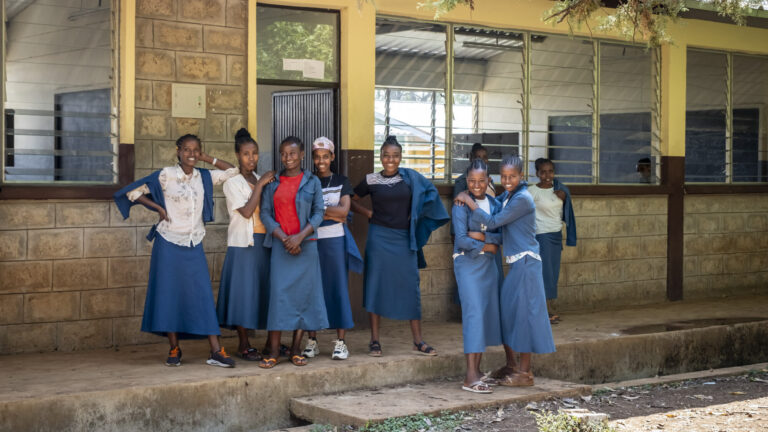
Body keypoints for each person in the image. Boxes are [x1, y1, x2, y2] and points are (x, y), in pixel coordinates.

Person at [113, 134, 238, 367]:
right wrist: (157, 207)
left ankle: (216, 351)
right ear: (178, 151)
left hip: (193, 243)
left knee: (202, 296)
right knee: (169, 295)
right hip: (168, 243)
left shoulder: (205, 176)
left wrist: (207, 158)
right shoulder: (166, 175)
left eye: (196, 150)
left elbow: (232, 171)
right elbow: (132, 192)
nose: (192, 154)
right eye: (187, 150)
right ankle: (174, 349)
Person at [455, 155, 555, 386]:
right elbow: (486, 213)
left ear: (522, 177)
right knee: (510, 313)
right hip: (515, 264)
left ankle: (524, 372)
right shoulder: (507, 197)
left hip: (527, 262)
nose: (508, 180)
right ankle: (512, 365)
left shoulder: (522, 199)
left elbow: (492, 223)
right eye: (505, 176)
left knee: (524, 315)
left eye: (513, 176)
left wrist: (470, 205)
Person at [351, 135, 450, 357]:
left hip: (404, 239)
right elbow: (349, 198)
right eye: (386, 155)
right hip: (378, 238)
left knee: (411, 287)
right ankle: (375, 340)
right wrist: (367, 213)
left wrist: (416, 217)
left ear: (401, 157)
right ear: (380, 156)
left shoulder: (410, 178)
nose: (390, 160)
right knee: (375, 285)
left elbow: (431, 195)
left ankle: (418, 341)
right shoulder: (371, 179)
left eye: (395, 156)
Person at [258, 136, 327, 369]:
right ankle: (274, 351)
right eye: (284, 154)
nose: (288, 158)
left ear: (303, 155)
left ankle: (296, 350)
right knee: (278, 297)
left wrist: (300, 236)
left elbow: (319, 212)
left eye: (293, 153)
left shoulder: (312, 182)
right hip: (281, 246)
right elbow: (265, 214)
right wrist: (283, 237)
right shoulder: (273, 182)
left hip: (306, 246)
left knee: (303, 298)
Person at [302, 137, 363, 361]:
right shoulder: (308, 181)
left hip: (335, 242)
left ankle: (340, 342)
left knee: (338, 288)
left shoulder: (341, 181)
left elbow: (344, 213)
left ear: (332, 157)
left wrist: (320, 212)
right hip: (313, 241)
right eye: (317, 157)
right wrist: (329, 211)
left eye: (325, 156)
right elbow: (306, 213)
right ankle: (312, 341)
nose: (321, 161)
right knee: (313, 288)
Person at [216, 129, 275, 360]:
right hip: (243, 245)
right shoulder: (233, 182)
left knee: (261, 292)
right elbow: (247, 211)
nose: (251, 158)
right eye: (246, 154)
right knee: (242, 294)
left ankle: (270, 342)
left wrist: (261, 182)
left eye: (255, 153)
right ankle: (243, 344)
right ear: (237, 156)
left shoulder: (259, 178)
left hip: (264, 242)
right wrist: (260, 184)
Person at [452, 159, 503, 393]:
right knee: (473, 315)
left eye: (481, 181)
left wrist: (483, 238)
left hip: (488, 267)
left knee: (484, 315)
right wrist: (486, 244)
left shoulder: (494, 203)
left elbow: (501, 236)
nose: (476, 185)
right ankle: (470, 377)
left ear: (489, 180)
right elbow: (460, 239)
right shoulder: (460, 204)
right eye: (471, 181)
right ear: (466, 180)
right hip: (467, 264)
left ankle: (479, 370)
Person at [528, 158, 577, 324]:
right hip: (541, 236)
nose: (547, 175)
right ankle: (544, 312)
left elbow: (565, 213)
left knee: (553, 274)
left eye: (550, 171)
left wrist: (563, 197)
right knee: (544, 274)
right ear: (537, 173)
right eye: (543, 172)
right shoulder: (531, 191)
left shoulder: (560, 190)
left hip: (556, 235)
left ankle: (547, 309)